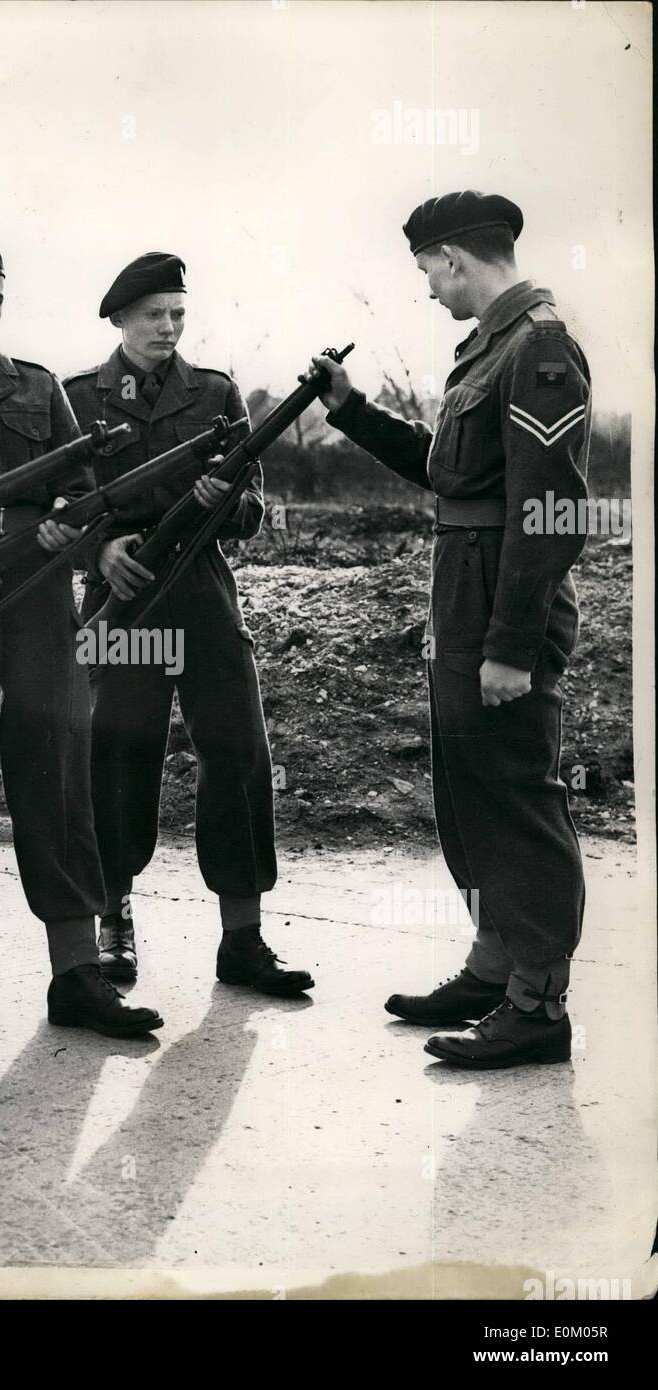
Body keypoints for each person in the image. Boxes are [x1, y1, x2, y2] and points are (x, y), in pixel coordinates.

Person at [315, 192, 590, 1069]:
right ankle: (493, 967)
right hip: (463, 599)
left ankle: (538, 1005)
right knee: (468, 790)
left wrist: (512, 643)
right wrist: (350, 409)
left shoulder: (538, 347)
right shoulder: (489, 350)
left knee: (514, 794)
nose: (430, 290)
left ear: (456, 257)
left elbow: (545, 511)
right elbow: (449, 474)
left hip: (499, 609)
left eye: (429, 271)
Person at [0, 235, 163, 1039]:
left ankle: (76, 973)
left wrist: (70, 531)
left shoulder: (38, 389)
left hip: (39, 610)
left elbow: (83, 492)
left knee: (57, 776)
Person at [63, 252, 314, 996]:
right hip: (124, 597)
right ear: (118, 320)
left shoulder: (215, 394)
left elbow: (251, 511)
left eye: (176, 314)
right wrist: (99, 550)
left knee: (237, 751)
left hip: (201, 594)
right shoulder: (78, 399)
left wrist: (218, 504)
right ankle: (113, 926)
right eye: (152, 316)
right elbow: (57, 508)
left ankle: (243, 939)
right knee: (114, 757)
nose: (167, 328)